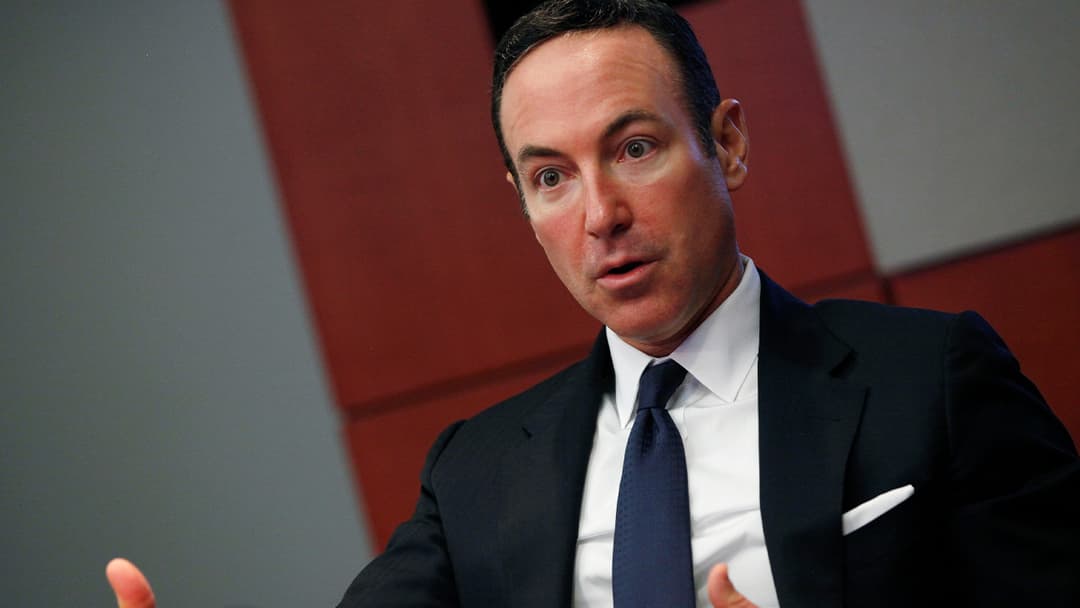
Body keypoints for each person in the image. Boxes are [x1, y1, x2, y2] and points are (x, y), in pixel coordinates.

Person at [108, 1, 1080, 606]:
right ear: (523, 205)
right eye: (551, 177)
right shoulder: (474, 472)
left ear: (727, 143)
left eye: (635, 149)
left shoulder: (929, 378)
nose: (600, 215)